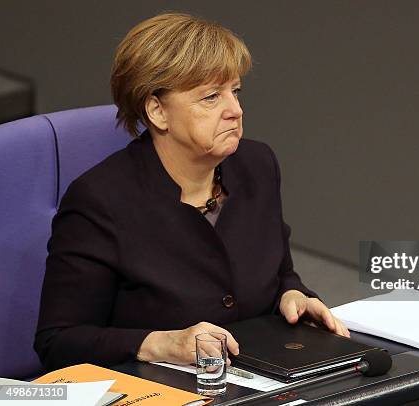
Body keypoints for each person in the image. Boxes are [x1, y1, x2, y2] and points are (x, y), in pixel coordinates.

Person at [34, 13, 349, 371]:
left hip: (258, 376)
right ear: (157, 111)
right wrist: (159, 343)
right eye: (212, 97)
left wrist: (295, 295)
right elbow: (58, 341)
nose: (236, 110)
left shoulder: (257, 165)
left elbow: (279, 273)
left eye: (236, 91)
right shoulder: (100, 200)